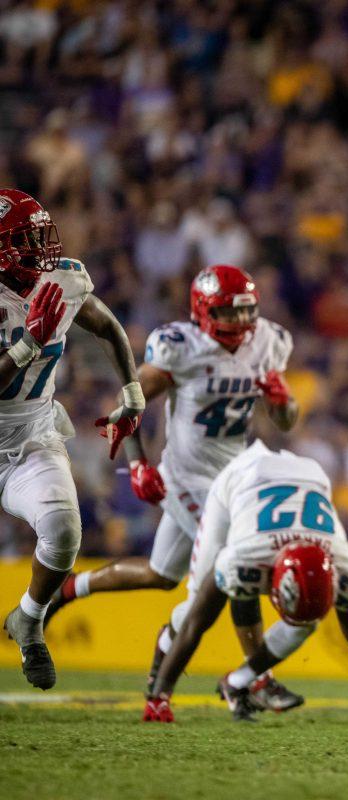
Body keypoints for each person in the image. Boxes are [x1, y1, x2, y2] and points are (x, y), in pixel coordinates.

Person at [45, 265, 302, 709]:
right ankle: (256, 680)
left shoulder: (270, 342)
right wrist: (139, 463)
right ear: (203, 311)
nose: (240, 324)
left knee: (161, 576)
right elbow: (129, 405)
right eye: (228, 313)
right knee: (238, 558)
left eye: (246, 314)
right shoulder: (182, 347)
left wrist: (283, 402)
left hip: (234, 477)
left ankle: (70, 587)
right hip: (187, 477)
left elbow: (286, 421)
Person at [141, 440, 348, 728]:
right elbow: (198, 623)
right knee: (193, 607)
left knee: (305, 621)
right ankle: (155, 684)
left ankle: (240, 682)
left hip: (311, 477)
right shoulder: (243, 557)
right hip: (243, 478)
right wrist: (161, 697)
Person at [0, 188, 144, 690]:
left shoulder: (61, 277)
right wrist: (28, 346)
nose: (42, 249)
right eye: (27, 240)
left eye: (41, 236)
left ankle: (30, 619)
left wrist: (132, 390)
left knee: (63, 531)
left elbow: (106, 325)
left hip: (32, 436)